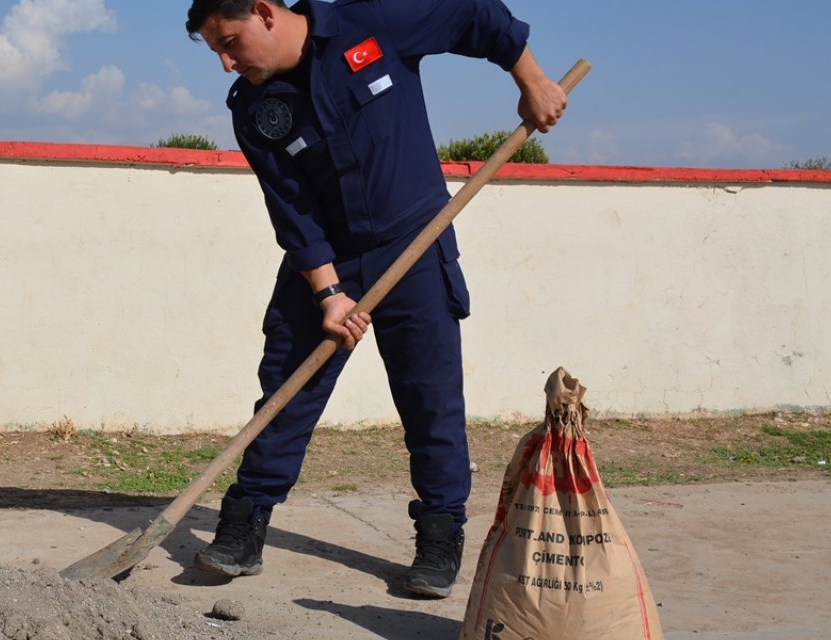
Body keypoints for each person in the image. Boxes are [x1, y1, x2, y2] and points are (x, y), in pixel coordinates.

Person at [184, 0, 566, 598]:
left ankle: (439, 537)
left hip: (415, 242)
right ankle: (243, 527)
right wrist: (329, 292)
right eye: (216, 52)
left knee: (430, 397)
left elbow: (473, 14)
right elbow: (293, 211)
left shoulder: (371, 23)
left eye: (230, 42)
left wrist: (532, 80)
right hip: (327, 262)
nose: (227, 62)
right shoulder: (254, 109)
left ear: (264, 12)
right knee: (286, 392)